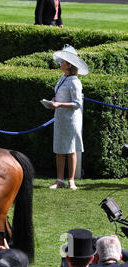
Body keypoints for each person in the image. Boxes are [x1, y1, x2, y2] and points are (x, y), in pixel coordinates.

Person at [48, 45, 89, 190]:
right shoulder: (62, 78)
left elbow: (77, 104)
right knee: (59, 148)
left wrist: (60, 104)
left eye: (63, 62)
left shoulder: (75, 82)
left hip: (71, 119)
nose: (60, 63)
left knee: (71, 149)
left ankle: (71, 180)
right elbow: (61, 95)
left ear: (69, 65)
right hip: (60, 117)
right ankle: (60, 179)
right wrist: (54, 101)